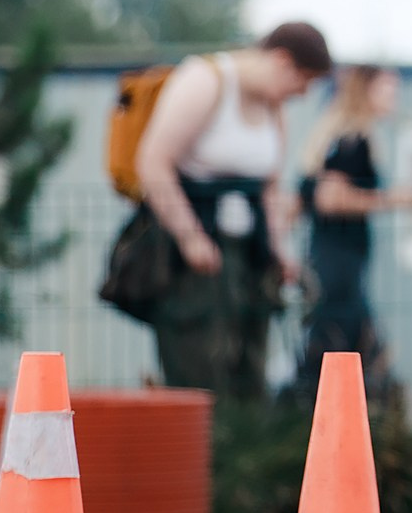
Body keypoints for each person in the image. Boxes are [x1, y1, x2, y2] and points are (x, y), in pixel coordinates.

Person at [133, 22, 334, 400]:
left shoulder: (274, 109)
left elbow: (270, 187)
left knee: (248, 372)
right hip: (194, 262)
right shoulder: (204, 81)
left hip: (250, 259)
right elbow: (153, 162)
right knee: (200, 375)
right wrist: (190, 236)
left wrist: (280, 250)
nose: (302, 94)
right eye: (303, 81)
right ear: (281, 60)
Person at [292, 64, 412, 408]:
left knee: (341, 345)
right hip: (339, 260)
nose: (395, 98)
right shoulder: (353, 140)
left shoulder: (338, 135)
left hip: (336, 258)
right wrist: (394, 200)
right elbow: (328, 199)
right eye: (388, 89)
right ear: (365, 91)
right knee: (342, 346)